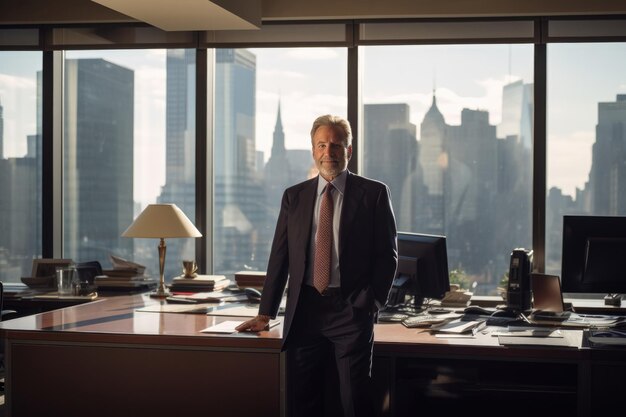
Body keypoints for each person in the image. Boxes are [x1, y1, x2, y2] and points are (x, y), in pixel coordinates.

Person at [236, 114, 398, 417]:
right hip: (305, 311)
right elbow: (279, 257)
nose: (328, 152)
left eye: (336, 145)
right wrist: (265, 312)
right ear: (313, 150)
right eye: (321, 145)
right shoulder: (294, 197)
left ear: (348, 151)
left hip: (351, 310)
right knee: (304, 400)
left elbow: (387, 256)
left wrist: (371, 302)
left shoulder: (374, 194)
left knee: (356, 401)